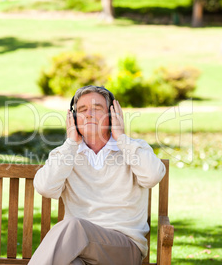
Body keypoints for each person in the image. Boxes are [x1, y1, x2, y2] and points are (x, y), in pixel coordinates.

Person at [29, 85, 166, 265]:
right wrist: (70, 145)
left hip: (124, 249)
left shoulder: (133, 148)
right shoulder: (66, 154)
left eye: (96, 108)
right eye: (82, 110)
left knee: (74, 227)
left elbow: (153, 176)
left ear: (112, 115)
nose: (88, 114)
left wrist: (121, 138)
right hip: (78, 250)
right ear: (73, 118)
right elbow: (45, 188)